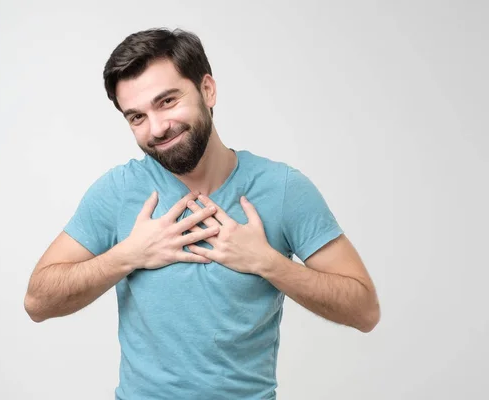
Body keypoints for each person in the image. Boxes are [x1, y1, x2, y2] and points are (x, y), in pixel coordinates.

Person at [24, 27, 380, 399]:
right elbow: (38, 301)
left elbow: (364, 310)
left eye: (167, 102)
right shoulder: (118, 191)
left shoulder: (283, 189)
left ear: (207, 90)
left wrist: (269, 263)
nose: (157, 128)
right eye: (136, 117)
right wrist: (128, 255)